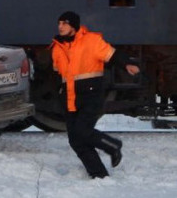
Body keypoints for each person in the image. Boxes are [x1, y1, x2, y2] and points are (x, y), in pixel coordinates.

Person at [51, 11, 140, 179]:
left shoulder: (91, 41)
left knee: (83, 131)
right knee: (75, 140)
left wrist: (127, 64)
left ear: (74, 26)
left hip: (90, 96)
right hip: (69, 98)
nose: (60, 27)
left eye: (65, 23)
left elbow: (112, 54)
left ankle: (112, 146)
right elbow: (58, 75)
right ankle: (99, 175)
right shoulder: (57, 47)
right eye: (59, 23)